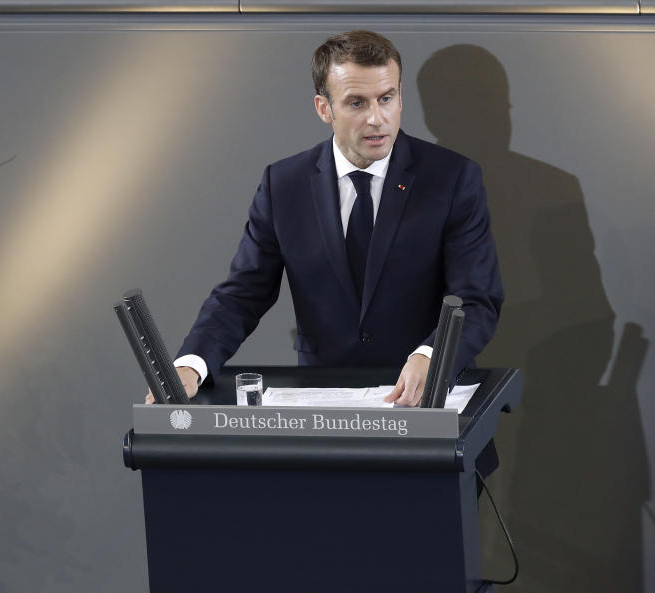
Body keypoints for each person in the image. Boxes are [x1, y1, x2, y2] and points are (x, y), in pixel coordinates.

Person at [148, 30, 502, 410]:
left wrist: (432, 356)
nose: (376, 118)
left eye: (387, 98)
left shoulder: (452, 179)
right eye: (356, 103)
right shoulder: (283, 185)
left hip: (425, 406)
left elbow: (476, 299)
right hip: (325, 413)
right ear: (324, 108)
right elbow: (241, 294)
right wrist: (191, 364)